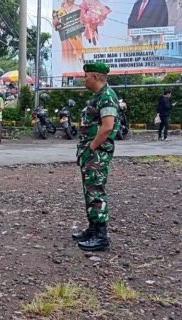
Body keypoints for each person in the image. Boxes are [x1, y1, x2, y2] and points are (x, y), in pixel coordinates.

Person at [71, 62, 120, 252]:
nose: (84, 79)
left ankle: (101, 237)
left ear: (96, 77)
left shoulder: (107, 96)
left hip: (97, 153)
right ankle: (92, 229)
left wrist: (92, 147)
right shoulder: (98, 96)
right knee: (89, 190)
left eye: (86, 76)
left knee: (96, 191)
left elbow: (107, 126)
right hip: (91, 152)